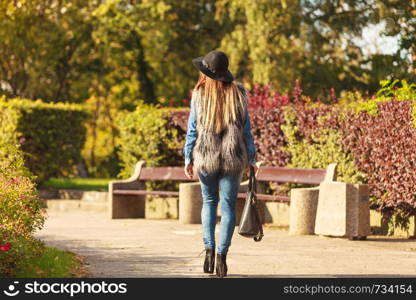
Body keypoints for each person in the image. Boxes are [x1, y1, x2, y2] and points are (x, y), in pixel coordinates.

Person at [182, 50, 257, 277]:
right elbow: (246, 131)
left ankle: (208, 251)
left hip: (205, 157)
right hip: (233, 157)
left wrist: (188, 158)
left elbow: (192, 130)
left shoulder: (199, 94)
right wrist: (251, 158)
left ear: (206, 74)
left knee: (208, 203)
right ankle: (222, 258)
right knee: (227, 208)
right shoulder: (239, 93)